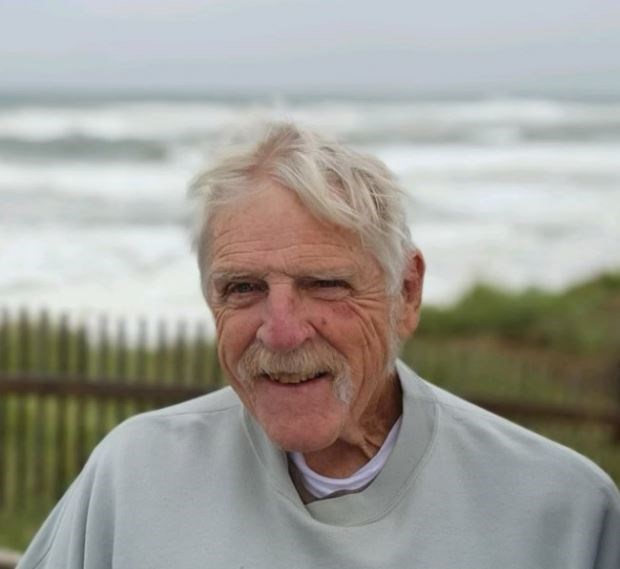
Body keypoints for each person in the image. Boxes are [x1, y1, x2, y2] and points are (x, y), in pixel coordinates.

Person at [17, 122, 620, 569]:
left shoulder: (562, 511)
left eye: (325, 284)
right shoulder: (135, 475)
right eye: (244, 288)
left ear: (406, 293)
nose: (281, 332)